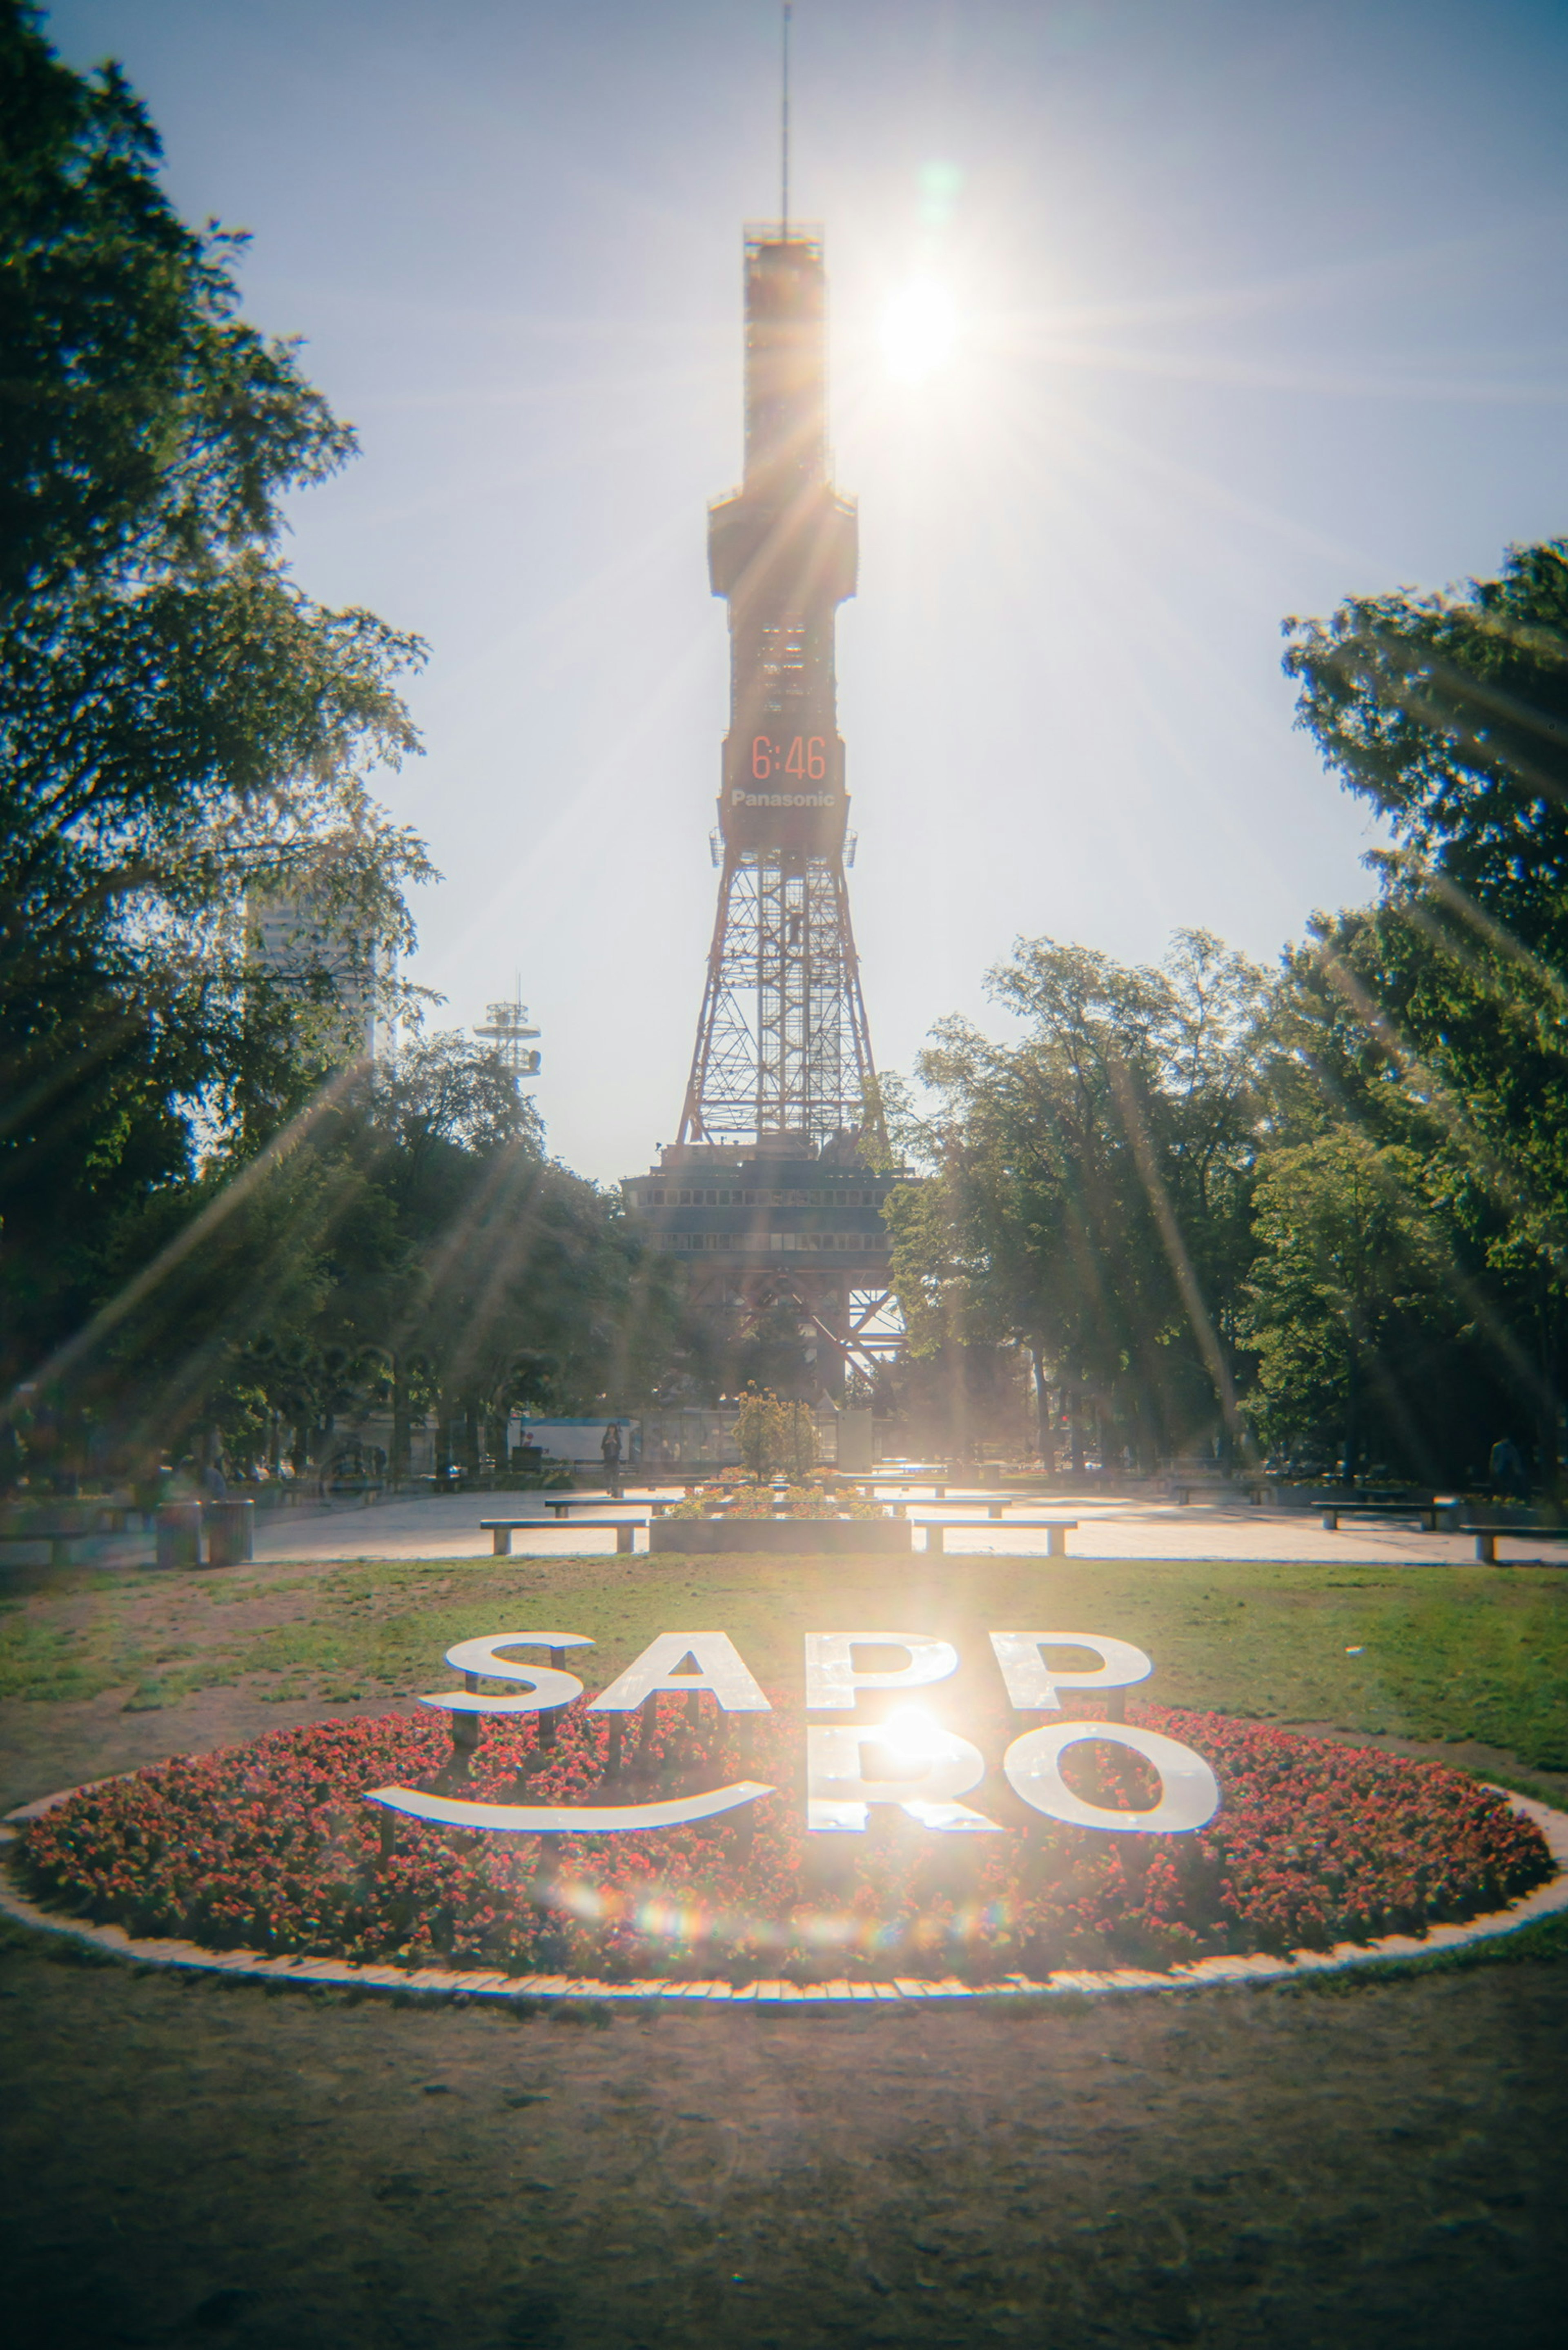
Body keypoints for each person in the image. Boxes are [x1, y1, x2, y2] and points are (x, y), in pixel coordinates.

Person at [1489, 1436, 1529, 1503]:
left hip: (1508, 1467)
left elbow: (1515, 1459)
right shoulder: (1497, 1447)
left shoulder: (1512, 1448)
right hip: (1500, 1468)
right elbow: (1494, 1459)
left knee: (1509, 1482)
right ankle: (1501, 1495)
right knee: (1501, 1482)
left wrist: (1517, 1470)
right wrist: (1493, 1468)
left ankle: (1508, 1495)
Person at [600, 1420, 624, 1498]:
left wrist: (614, 1441)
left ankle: (615, 1490)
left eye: (613, 1429)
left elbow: (620, 1447)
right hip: (608, 1459)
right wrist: (607, 1442)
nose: (612, 1430)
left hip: (615, 1459)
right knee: (608, 1474)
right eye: (610, 1428)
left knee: (615, 1475)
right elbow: (602, 1447)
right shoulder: (605, 1437)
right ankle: (609, 1488)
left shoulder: (617, 1437)